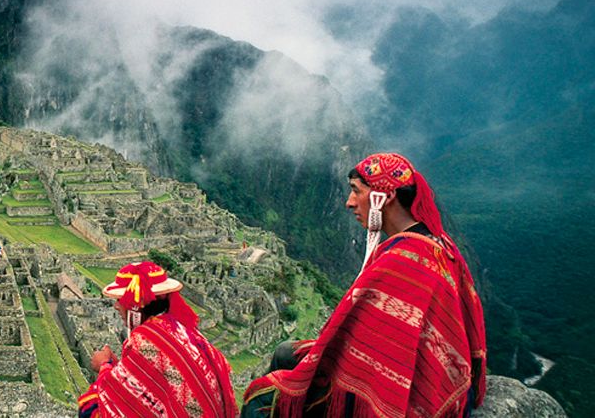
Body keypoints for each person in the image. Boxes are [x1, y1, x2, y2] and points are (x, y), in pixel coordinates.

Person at [243, 153, 487, 417]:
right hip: (442, 380)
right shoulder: (439, 244)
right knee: (284, 353)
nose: (349, 203)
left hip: (413, 396)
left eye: (356, 192)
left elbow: (369, 352)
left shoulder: (400, 262)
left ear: (386, 196)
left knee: (262, 399)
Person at [78, 261, 237, 418]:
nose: (116, 306)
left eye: (120, 300)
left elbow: (116, 407)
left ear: (135, 304)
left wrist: (104, 367)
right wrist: (119, 368)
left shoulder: (144, 340)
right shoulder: (184, 331)